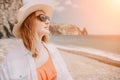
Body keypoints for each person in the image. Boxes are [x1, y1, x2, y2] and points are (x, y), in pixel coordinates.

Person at [0, 0, 73, 80]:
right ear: (29, 22)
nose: (48, 21)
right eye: (43, 17)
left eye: (48, 18)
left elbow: (67, 77)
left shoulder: (54, 51)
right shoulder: (11, 60)